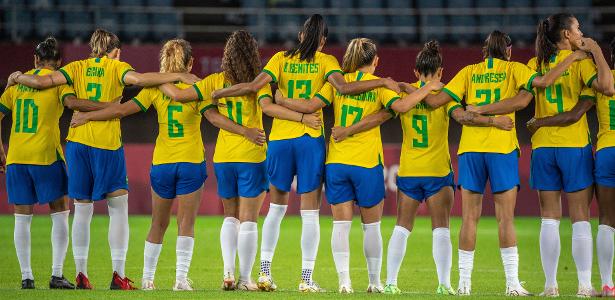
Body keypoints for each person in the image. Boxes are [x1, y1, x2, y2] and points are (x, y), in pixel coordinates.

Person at [208, 14, 400, 292]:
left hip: (281, 141)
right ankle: (306, 279)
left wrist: (221, 94)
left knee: (275, 209)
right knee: (310, 214)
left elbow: (252, 89)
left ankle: (264, 272)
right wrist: (382, 82)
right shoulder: (327, 63)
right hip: (310, 140)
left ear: (300, 36)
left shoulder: (279, 59)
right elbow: (342, 89)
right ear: (322, 40)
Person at [7, 29, 200, 290]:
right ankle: (118, 275)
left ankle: (81, 275)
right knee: (118, 207)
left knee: (82, 210)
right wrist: (177, 75)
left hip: (76, 143)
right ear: (117, 52)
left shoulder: (75, 67)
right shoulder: (117, 67)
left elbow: (45, 84)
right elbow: (140, 80)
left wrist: (18, 76)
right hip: (106, 144)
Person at [421, 29, 588, 296]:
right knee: (505, 219)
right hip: (501, 148)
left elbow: (434, 102)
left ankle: (464, 284)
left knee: (469, 219)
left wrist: (424, 86)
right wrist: (574, 57)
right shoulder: (515, 69)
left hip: (470, 150)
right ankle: (511, 284)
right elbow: (540, 86)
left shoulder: (468, 72)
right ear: (508, 50)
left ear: (484, 51)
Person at [68, 38, 243, 291]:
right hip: (191, 161)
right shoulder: (197, 87)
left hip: (162, 163)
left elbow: (120, 111)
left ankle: (148, 279)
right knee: (186, 223)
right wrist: (244, 129)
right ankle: (180, 280)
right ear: (191, 62)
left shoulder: (155, 88)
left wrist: (87, 115)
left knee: (157, 224)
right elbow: (214, 117)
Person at [275, 37, 445, 293]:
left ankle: (344, 282)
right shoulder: (381, 86)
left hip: (338, 163)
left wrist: (282, 99)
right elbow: (401, 106)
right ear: (375, 61)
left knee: (340, 226)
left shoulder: (337, 82)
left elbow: (310, 106)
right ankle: (374, 282)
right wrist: (429, 86)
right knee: (371, 227)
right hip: (366, 163)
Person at [156, 30, 320, 291]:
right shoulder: (259, 83)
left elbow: (178, 96)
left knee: (230, 218)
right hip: (252, 155)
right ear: (252, 54)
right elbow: (268, 108)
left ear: (227, 56)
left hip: (223, 157)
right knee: (249, 220)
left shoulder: (214, 81)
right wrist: (300, 117)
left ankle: (228, 274)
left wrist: (161, 79)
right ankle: (245, 279)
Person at [468, 15, 614, 297]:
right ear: (567, 35)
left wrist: (483, 110)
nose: (581, 32)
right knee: (580, 217)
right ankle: (584, 286)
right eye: (577, 28)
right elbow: (606, 87)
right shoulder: (582, 63)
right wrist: (592, 50)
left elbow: (523, 100)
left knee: (549, 218)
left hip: (543, 147)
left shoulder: (534, 65)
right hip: (574, 146)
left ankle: (550, 286)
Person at [0, 37, 113, 290]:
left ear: (35, 60)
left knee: (21, 219)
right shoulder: (59, 82)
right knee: (60, 212)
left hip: (17, 158)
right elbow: (73, 103)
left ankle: (26, 277)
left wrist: (0, 150)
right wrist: (107, 107)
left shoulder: (17, 83)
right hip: (46, 156)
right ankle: (57, 274)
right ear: (60, 62)